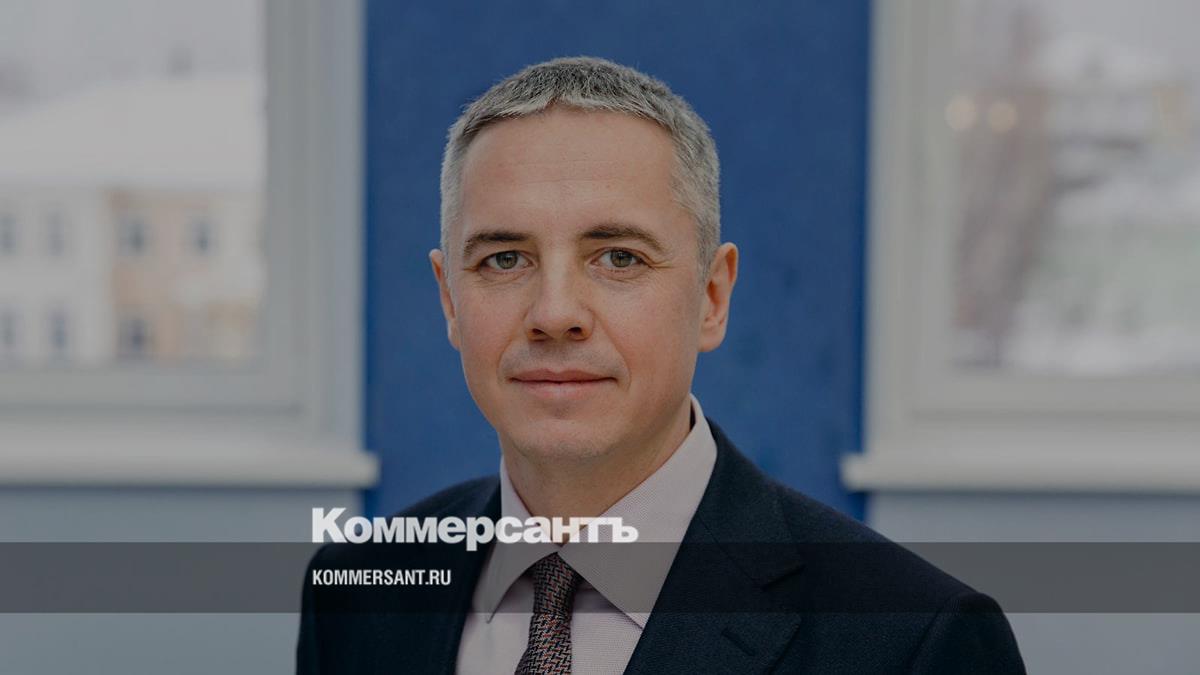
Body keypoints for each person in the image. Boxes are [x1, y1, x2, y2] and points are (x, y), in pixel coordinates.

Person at [297, 56, 1025, 674]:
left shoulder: (914, 639)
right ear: (449, 300)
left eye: (619, 258)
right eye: (505, 259)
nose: (555, 312)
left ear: (712, 297)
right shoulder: (356, 593)